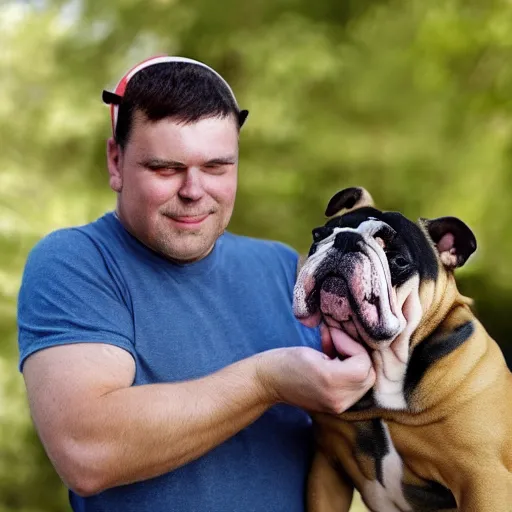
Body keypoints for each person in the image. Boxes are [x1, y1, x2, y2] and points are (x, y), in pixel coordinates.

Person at [17, 56, 375, 512]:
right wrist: (267, 381)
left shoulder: (284, 268)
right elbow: (87, 451)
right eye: (166, 169)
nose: (193, 190)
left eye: (217, 167)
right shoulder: (75, 263)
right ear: (116, 161)